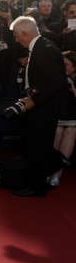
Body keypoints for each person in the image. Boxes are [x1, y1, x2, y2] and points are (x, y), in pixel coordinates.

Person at [9, 16, 68, 197]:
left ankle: (37, 186)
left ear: (25, 34)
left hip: (45, 107)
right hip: (39, 105)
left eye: (17, 36)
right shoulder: (41, 46)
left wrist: (33, 101)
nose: (16, 40)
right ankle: (57, 162)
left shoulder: (45, 50)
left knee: (39, 147)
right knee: (34, 143)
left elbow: (56, 82)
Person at [50, 50, 76, 187]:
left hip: (74, 118)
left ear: (74, 66)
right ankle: (50, 168)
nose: (63, 67)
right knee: (58, 130)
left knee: (71, 130)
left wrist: (73, 89)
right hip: (59, 116)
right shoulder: (57, 77)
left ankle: (57, 172)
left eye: (66, 64)